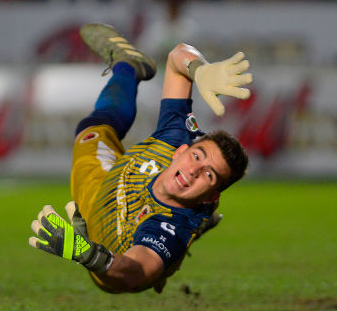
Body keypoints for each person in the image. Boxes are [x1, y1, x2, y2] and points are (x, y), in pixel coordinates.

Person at [28, 23, 252, 293]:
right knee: (91, 133)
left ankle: (183, 243)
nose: (194, 170)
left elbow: (134, 272)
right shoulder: (175, 138)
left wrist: (88, 254)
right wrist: (201, 70)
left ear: (211, 196)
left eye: (208, 174)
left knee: (129, 276)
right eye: (196, 156)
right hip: (105, 185)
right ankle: (128, 66)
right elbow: (177, 56)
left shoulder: (168, 228)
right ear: (182, 151)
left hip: (110, 248)